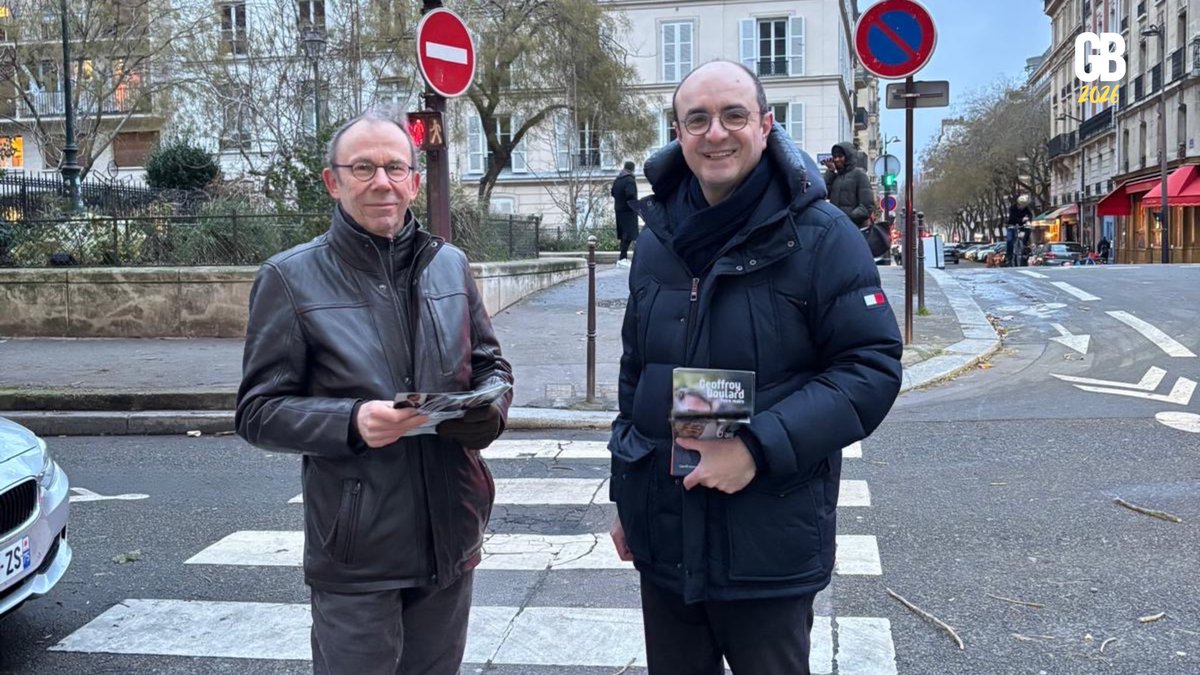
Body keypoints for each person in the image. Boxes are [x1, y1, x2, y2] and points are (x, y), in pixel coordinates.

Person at [607, 61, 903, 674]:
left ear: (765, 126)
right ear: (678, 133)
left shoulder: (822, 235)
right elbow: (636, 375)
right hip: (665, 539)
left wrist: (754, 448)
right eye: (697, 119)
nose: (716, 133)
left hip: (768, 542)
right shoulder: (657, 237)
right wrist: (626, 497)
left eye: (734, 115)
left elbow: (870, 368)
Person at [235, 110, 513, 675]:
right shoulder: (290, 278)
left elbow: (491, 366)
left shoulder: (450, 265)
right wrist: (352, 421)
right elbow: (258, 411)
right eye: (362, 168)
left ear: (414, 180)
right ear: (332, 181)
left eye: (394, 168)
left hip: (451, 531)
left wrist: (490, 409)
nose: (381, 182)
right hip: (358, 551)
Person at [822, 141, 874, 228]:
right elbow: (824, 193)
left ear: (848, 157)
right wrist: (830, 171)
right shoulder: (836, 177)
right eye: (835, 157)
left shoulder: (859, 174)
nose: (837, 159)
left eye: (840, 156)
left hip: (854, 228)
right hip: (837, 227)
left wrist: (848, 219)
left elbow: (867, 206)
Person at [612, 160, 639, 267]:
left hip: (619, 210)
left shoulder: (618, 179)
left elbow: (613, 192)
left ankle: (622, 258)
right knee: (629, 235)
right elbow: (630, 194)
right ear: (632, 169)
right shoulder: (629, 179)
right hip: (629, 211)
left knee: (624, 235)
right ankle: (623, 258)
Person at [1006, 195, 1034, 267]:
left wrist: (1028, 220)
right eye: (1022, 205)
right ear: (1019, 203)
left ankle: (1025, 245)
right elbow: (1012, 217)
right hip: (1012, 225)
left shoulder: (1026, 208)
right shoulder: (1012, 208)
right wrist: (1021, 220)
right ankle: (1009, 256)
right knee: (1009, 240)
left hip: (1022, 226)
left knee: (1028, 229)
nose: (1023, 207)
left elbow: (1030, 215)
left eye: (1024, 205)